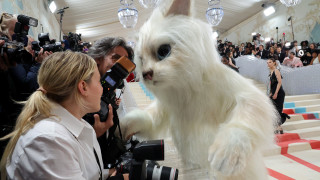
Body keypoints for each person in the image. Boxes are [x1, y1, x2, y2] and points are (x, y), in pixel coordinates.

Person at [0, 51, 128, 180]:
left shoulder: (80, 126)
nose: (102, 88)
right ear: (83, 87)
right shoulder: (49, 140)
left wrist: (111, 173)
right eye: (98, 82)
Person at [87, 37, 134, 169]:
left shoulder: (109, 90)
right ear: (98, 58)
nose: (120, 64)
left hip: (104, 162)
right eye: (115, 57)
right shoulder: (82, 90)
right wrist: (94, 135)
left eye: (125, 61)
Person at [267, 58, 287, 134]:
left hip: (279, 93)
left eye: (270, 62)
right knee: (274, 110)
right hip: (274, 92)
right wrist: (271, 93)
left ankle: (277, 127)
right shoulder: (271, 72)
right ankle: (279, 127)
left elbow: (279, 83)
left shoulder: (276, 71)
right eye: (267, 62)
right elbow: (273, 85)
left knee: (277, 110)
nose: (268, 64)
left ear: (274, 63)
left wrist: (275, 93)